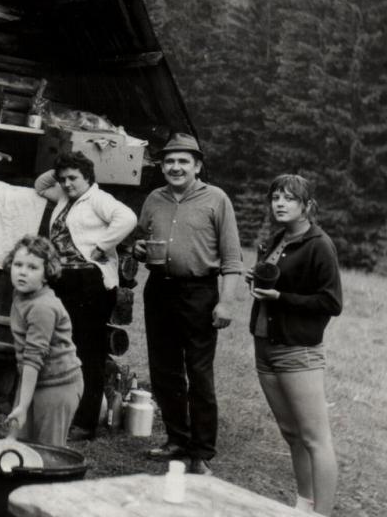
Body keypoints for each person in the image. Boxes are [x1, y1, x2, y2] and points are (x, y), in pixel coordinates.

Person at [132, 132, 243, 475]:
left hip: (199, 293)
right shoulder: (153, 198)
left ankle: (201, 452)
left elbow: (232, 259)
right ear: (162, 166)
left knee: (198, 373)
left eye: (183, 161)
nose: (175, 167)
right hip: (159, 291)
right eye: (169, 161)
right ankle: (177, 439)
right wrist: (139, 249)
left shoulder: (216, 199)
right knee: (164, 371)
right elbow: (140, 238)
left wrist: (225, 303)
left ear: (197, 166)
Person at [247, 174, 342, 515]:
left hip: (297, 351)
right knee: (291, 433)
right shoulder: (278, 239)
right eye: (275, 198)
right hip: (266, 345)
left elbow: (331, 303)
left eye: (289, 198)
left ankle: (323, 512)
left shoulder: (319, 244)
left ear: (307, 206)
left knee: (315, 438)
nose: (280, 204)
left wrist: (280, 297)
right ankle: (304, 504)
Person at [35, 152, 137, 441]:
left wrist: (102, 246)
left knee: (87, 352)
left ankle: (85, 422)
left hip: (89, 282)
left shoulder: (97, 199)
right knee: (60, 344)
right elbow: (40, 186)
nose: (66, 183)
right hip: (63, 279)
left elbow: (127, 218)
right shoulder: (66, 197)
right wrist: (58, 170)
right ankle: (57, 409)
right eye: (63, 178)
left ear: (88, 178)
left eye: (73, 178)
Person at [4, 235, 84, 447]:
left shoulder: (42, 307)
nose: (22, 272)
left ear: (46, 274)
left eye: (32, 267)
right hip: (33, 378)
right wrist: (23, 403)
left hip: (58, 385)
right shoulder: (21, 294)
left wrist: (22, 405)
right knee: (17, 443)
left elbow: (33, 357)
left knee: (47, 452)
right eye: (18, 264)